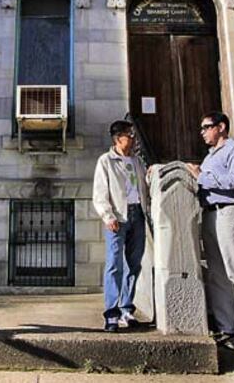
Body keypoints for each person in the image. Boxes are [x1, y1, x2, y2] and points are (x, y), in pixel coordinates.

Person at [185, 112, 234, 350]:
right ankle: (226, 326)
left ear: (221, 127)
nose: (202, 132)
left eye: (206, 127)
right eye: (202, 128)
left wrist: (201, 176)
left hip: (229, 213)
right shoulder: (209, 157)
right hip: (210, 214)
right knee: (217, 274)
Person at [93, 120, 149, 332]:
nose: (134, 139)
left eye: (134, 135)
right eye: (130, 135)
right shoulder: (106, 161)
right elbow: (99, 193)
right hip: (118, 217)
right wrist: (108, 216)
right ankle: (112, 313)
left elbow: (144, 185)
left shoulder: (136, 161)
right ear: (118, 138)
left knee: (134, 265)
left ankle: (127, 309)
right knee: (114, 264)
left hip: (138, 215)